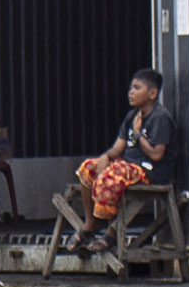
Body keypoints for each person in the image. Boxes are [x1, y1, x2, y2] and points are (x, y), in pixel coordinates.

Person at [64, 69, 178, 231]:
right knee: (88, 167)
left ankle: (111, 233)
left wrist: (138, 134)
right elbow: (118, 147)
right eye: (131, 88)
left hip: (151, 171)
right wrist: (105, 158)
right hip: (128, 166)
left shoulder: (160, 118)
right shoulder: (132, 116)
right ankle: (91, 223)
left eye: (137, 88)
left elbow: (157, 154)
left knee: (111, 177)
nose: (130, 93)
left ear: (152, 94)